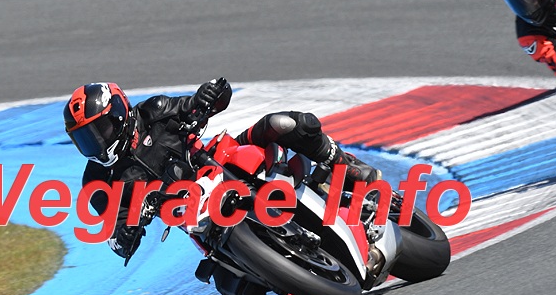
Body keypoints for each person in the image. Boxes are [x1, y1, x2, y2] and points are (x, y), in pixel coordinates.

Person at [63, 79, 381, 260]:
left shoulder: (153, 111)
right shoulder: (98, 181)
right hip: (193, 216)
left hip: (220, 160)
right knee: (238, 292)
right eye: (86, 138)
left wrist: (208, 97)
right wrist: (127, 231)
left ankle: (344, 165)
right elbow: (117, 241)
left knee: (285, 124)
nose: (97, 142)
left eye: (100, 130)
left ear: (118, 114)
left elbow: (199, 105)